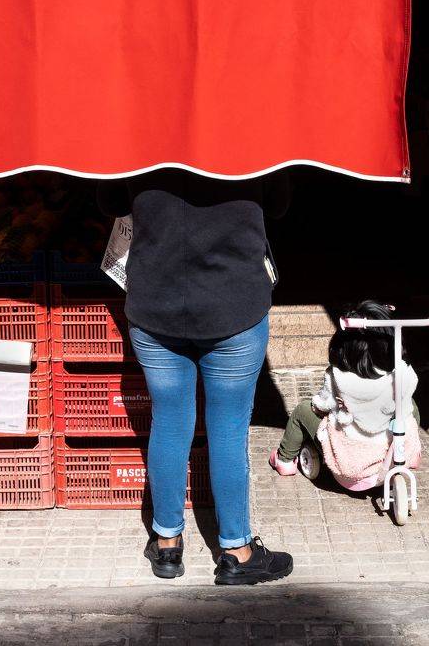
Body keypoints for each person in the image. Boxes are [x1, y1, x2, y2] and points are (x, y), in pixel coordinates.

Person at [98, 169, 294, 586]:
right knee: (228, 430)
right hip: (234, 307)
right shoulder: (256, 131)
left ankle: (167, 544)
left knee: (168, 422)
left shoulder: (139, 132)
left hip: (155, 307)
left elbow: (110, 201)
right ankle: (237, 553)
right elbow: (279, 205)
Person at [270, 300, 421, 492]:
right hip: (391, 462)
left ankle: (284, 460)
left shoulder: (338, 376)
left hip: (348, 467)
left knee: (302, 410)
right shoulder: (402, 375)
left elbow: (322, 405)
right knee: (409, 406)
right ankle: (412, 452)